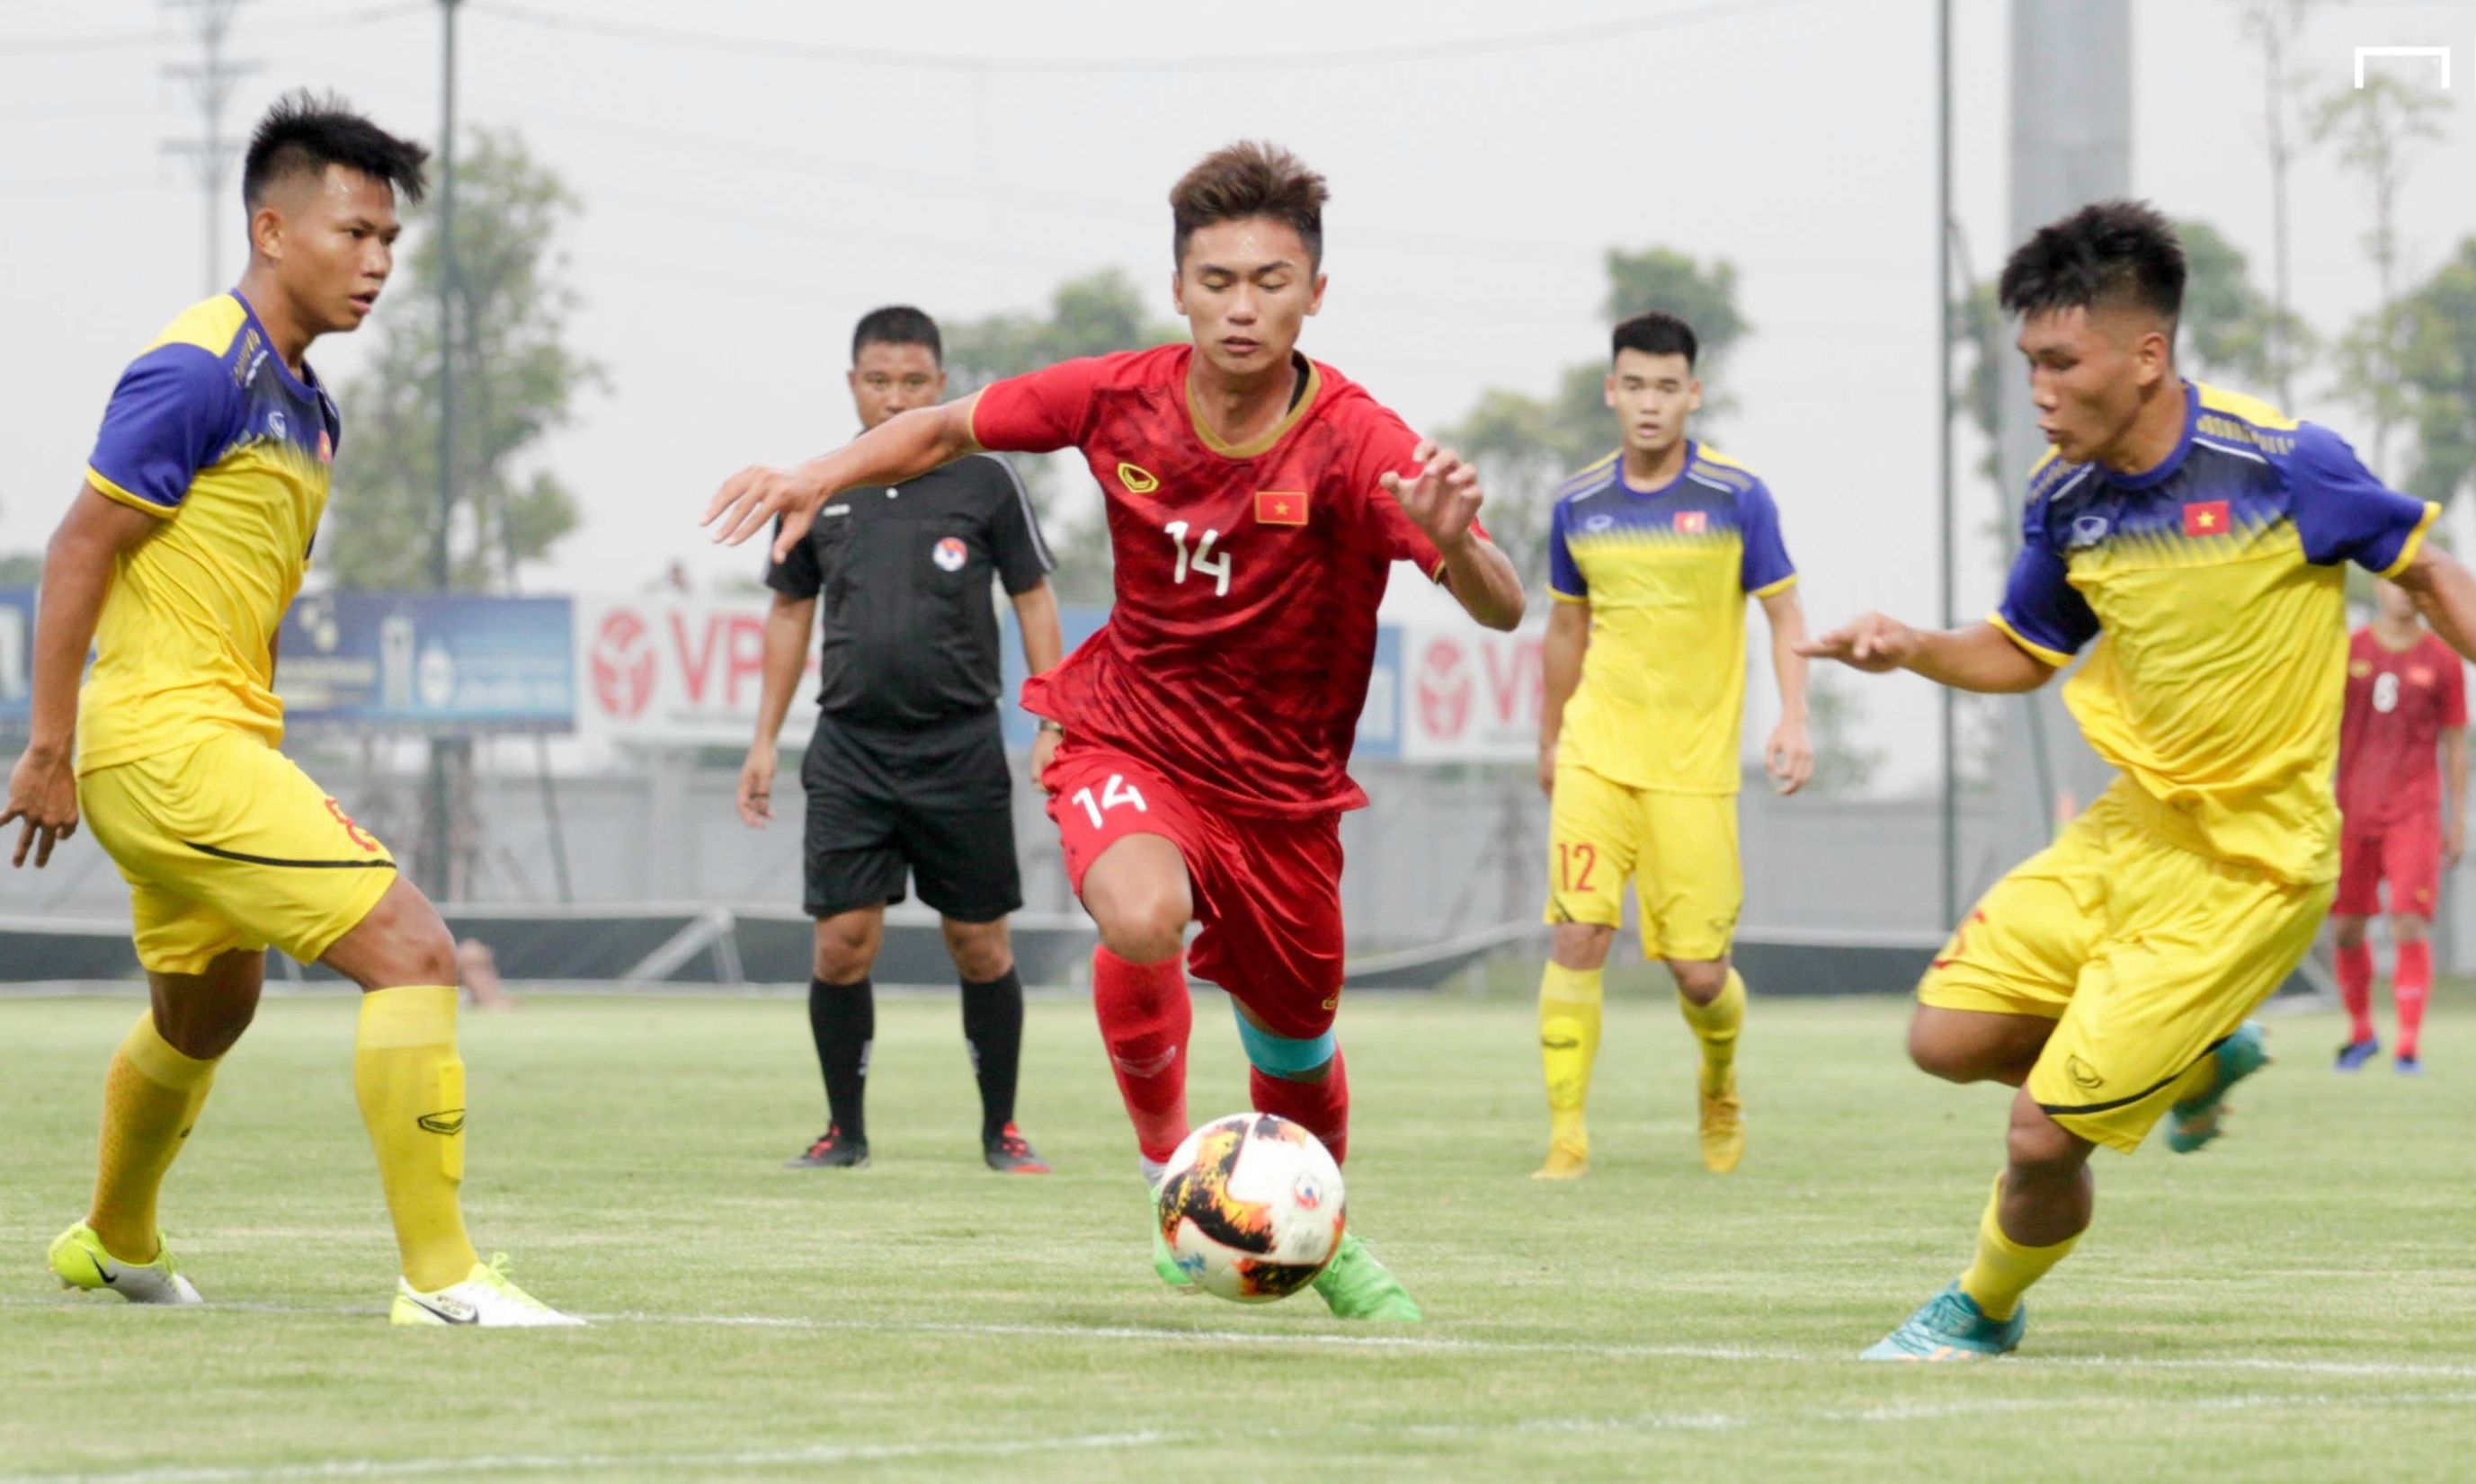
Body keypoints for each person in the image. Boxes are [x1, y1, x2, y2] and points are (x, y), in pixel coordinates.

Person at [706, 141, 1523, 1320]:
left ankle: (1322, 1227)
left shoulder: (1357, 441)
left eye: (1271, 280)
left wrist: (1457, 542)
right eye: (1217, 279)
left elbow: (1499, 609)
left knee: (1293, 1049)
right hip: (1127, 733)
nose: (1242, 305)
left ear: (1315, 293)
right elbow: (942, 428)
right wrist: (818, 473)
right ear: (1179, 287)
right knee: (1141, 913)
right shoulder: (1115, 394)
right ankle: (1166, 1181)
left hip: (1283, 796)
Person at [1802, 200, 2476, 1360]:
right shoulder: (2065, 497)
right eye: (2027, 362)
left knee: (2042, 1138)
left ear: (2146, 356)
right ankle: (2188, 1059)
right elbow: (2021, 653)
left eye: (2059, 362)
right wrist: (1912, 646)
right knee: (1941, 1040)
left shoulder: (2284, 465)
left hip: (2254, 868)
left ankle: (1981, 1308)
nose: (2038, 389)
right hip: (2126, 837)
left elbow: (2424, 566)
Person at [1, 93, 574, 1327]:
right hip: (165, 745)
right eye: (351, 232)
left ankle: (112, 1240)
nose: (374, 262)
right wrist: (46, 744)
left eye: (388, 242)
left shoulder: (306, 402)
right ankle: (441, 1282)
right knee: (414, 950)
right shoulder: (196, 368)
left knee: (209, 1006)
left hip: (202, 743)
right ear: (272, 228)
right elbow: (76, 547)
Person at [738, 305, 1064, 1173]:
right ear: (853, 384)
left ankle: (1003, 1129)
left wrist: (1053, 721)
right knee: (842, 942)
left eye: (912, 382)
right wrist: (764, 739)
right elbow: (788, 611)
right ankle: (843, 1131)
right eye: (878, 381)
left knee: (980, 944)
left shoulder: (986, 481)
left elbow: (1033, 598)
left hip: (959, 748)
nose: (894, 398)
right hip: (849, 749)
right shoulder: (817, 486)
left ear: (941, 385)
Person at [1530, 311, 1812, 1181]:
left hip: (1692, 771)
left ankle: (1719, 1083)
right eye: (1634, 385)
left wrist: (1793, 717)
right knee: (1578, 933)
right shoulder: (1579, 503)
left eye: (1667, 387)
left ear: (1692, 394)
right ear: (1611, 391)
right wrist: (1548, 741)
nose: (1649, 404)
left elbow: (1783, 613)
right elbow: (1564, 631)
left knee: (1698, 973)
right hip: (1595, 755)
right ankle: (1567, 1137)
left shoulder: (1736, 498)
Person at [2332, 580, 2469, 1073]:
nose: (2407, 592)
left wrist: (2459, 819)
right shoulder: (2349, 651)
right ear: (2377, 586)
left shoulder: (2442, 660)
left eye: (2416, 583)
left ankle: (2408, 1043)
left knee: (2408, 918)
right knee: (2346, 927)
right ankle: (2361, 1033)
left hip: (2414, 810)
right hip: (2351, 809)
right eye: (2397, 582)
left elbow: (2455, 744)